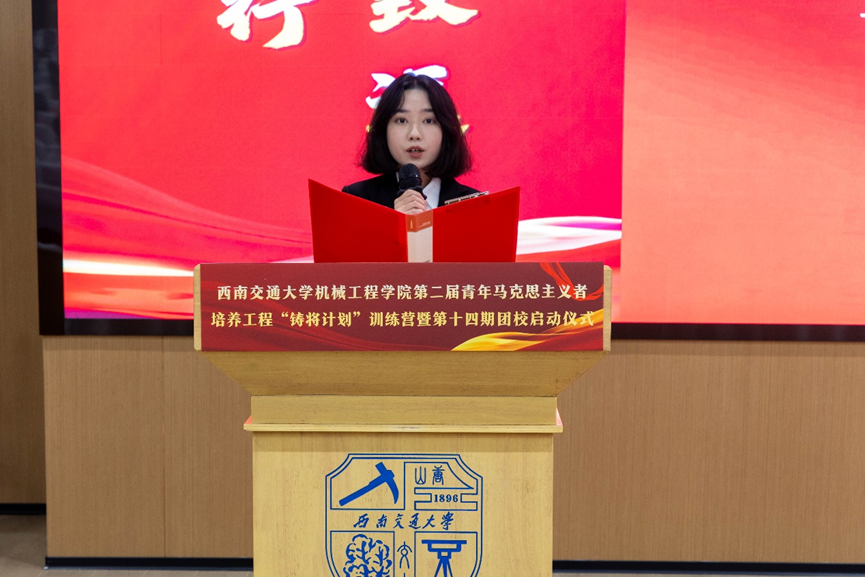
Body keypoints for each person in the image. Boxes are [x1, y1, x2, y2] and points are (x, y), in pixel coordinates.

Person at [343, 73, 477, 215]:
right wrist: (395, 223)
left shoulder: (475, 206)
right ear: (383, 129)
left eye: (428, 121)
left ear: (446, 129)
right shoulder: (357, 200)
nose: (414, 134)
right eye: (401, 120)